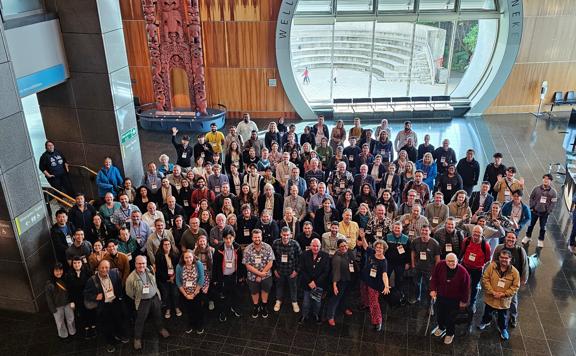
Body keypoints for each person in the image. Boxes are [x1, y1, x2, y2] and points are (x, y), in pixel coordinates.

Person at [125, 255, 170, 350]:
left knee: (158, 315)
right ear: (135, 264)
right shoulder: (131, 278)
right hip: (142, 302)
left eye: (143, 263)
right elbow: (129, 293)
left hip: (154, 298)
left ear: (146, 263)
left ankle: (161, 329)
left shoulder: (150, 270)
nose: (141, 265)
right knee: (140, 320)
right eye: (139, 263)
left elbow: (155, 282)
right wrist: (140, 297)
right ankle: (137, 338)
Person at [83, 260, 128, 353]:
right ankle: (110, 343)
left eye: (107, 267)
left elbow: (119, 286)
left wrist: (120, 298)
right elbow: (86, 293)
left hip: (115, 303)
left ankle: (119, 335)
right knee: (107, 325)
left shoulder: (114, 274)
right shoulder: (92, 280)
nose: (104, 269)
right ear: (98, 268)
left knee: (118, 320)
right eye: (102, 267)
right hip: (103, 306)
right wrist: (95, 297)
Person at [478, 250, 520, 341]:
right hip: (491, 297)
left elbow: (515, 287)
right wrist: (492, 291)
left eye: (506, 258)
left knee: (503, 316)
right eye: (502, 257)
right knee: (487, 312)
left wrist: (504, 294)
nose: (503, 260)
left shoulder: (515, 272)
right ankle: (485, 321)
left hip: (503, 301)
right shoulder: (491, 266)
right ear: (499, 258)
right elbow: (485, 279)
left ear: (510, 259)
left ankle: (503, 329)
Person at [429, 253, 470, 345]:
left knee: (450, 317)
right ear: (445, 261)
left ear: (457, 261)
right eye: (449, 261)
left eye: (453, 261)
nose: (451, 263)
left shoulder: (463, 272)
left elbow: (466, 288)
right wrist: (432, 289)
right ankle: (441, 327)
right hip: (441, 296)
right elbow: (434, 278)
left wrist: (464, 301)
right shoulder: (440, 265)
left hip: (454, 299)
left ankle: (450, 333)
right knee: (440, 314)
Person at [493, 232, 529, 328]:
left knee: (513, 300)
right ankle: (496, 311)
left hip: (513, 280)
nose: (510, 239)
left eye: (513, 238)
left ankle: (513, 316)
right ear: (505, 238)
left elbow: (525, 265)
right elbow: (493, 261)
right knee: (497, 294)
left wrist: (523, 278)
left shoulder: (520, 250)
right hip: (499, 277)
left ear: (516, 239)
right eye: (509, 237)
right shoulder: (499, 248)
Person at [212, 227, 245, 322]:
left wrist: (242, 276)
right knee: (223, 296)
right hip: (223, 277)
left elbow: (240, 263)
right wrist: (215, 280)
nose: (228, 240)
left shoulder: (238, 248)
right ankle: (222, 312)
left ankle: (234, 308)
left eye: (230, 238)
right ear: (223, 239)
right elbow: (215, 266)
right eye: (226, 238)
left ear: (234, 238)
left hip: (234, 276)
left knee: (235, 294)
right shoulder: (218, 250)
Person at [359, 238, 391, 331]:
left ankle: (378, 321)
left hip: (375, 284)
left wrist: (386, 285)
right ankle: (365, 304)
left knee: (374, 303)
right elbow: (365, 246)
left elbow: (384, 274)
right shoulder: (372, 252)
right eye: (377, 247)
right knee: (364, 294)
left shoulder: (384, 262)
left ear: (384, 249)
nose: (378, 249)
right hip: (365, 278)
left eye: (380, 248)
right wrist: (363, 237)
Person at [243, 229, 275, 319]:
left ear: (261, 237)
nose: (257, 239)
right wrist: (259, 274)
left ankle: (264, 306)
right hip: (252, 276)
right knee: (254, 292)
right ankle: (256, 306)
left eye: (259, 237)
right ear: (252, 238)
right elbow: (247, 265)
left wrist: (261, 274)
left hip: (266, 275)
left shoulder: (268, 247)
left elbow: (270, 263)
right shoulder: (247, 249)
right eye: (255, 237)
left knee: (265, 290)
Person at [299, 238, 330, 324]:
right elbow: (302, 270)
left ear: (320, 247)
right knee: (306, 302)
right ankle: (304, 315)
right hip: (307, 283)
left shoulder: (325, 256)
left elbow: (326, 271)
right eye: (314, 246)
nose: (315, 248)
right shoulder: (304, 255)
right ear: (310, 246)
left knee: (317, 302)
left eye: (317, 246)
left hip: (319, 284)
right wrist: (309, 281)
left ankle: (316, 315)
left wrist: (316, 282)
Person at [461, 225, 491, 312]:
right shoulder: (466, 241)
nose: (476, 235)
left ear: (482, 234)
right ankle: (462, 299)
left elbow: (487, 259)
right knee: (463, 283)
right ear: (472, 233)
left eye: (479, 233)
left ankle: (472, 303)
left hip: (477, 269)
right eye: (475, 232)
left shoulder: (485, 245)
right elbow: (462, 252)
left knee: (474, 286)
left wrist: (478, 263)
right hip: (465, 266)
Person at [326, 238, 356, 326]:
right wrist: (335, 285)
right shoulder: (337, 258)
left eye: (345, 245)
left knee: (346, 296)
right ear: (338, 248)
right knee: (336, 298)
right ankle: (330, 316)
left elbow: (353, 263)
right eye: (342, 246)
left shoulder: (349, 252)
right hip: (340, 281)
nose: (344, 247)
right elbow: (336, 272)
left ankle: (344, 308)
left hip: (349, 278)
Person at [272, 227, 302, 313]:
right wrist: (274, 270)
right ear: (281, 234)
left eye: (287, 235)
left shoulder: (295, 244)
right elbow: (272, 258)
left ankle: (294, 302)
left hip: (291, 271)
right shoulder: (275, 243)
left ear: (290, 235)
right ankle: (278, 301)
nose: (285, 237)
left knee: (293, 287)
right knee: (279, 286)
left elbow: (300, 259)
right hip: (279, 271)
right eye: (284, 235)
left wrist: (296, 271)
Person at [523, 173, 557, 248]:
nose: (546, 180)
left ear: (550, 181)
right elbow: (531, 197)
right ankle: (527, 236)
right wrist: (532, 207)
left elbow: (553, 203)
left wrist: (548, 211)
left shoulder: (553, 192)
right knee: (531, 224)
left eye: (548, 179)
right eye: (544, 178)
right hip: (535, 211)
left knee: (543, 227)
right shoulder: (536, 189)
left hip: (545, 213)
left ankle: (540, 240)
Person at [176, 250, 206, 334]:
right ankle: (190, 324)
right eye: (186, 257)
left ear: (193, 257)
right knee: (188, 310)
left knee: (198, 309)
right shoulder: (179, 266)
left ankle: (199, 325)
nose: (188, 259)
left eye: (190, 257)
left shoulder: (198, 264)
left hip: (196, 292)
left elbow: (201, 278)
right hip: (185, 293)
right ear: (183, 258)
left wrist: (194, 293)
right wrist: (186, 295)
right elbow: (178, 281)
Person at [409, 225, 440, 304]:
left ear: (430, 232)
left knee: (429, 286)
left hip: (429, 268)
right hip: (417, 267)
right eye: (423, 230)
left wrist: (436, 271)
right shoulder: (415, 241)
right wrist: (412, 263)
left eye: (426, 230)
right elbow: (413, 252)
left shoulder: (434, 243)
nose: (424, 232)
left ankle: (430, 303)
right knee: (416, 283)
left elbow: (437, 258)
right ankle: (416, 297)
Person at [66, 257, 96, 339]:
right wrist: (71, 301)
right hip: (77, 298)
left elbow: (93, 284)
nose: (77, 265)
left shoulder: (87, 272)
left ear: (82, 263)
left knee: (91, 311)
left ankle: (93, 327)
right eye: (75, 263)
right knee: (82, 313)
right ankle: (86, 328)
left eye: (78, 262)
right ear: (72, 264)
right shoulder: (69, 274)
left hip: (88, 297)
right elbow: (69, 289)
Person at [46, 262, 76, 340]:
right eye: (56, 270)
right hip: (57, 306)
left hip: (68, 303)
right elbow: (49, 298)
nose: (59, 272)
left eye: (60, 270)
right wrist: (53, 309)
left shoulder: (66, 278)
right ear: (52, 271)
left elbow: (71, 291)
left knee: (71, 318)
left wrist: (72, 301)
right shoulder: (49, 284)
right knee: (60, 322)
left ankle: (72, 332)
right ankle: (63, 335)